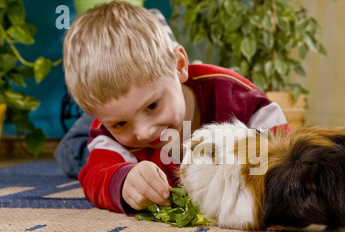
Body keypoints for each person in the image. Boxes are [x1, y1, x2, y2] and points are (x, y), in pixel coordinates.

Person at [61, 1, 288, 214]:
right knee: (74, 155)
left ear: (179, 66)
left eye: (152, 106)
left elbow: (285, 152)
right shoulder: (107, 130)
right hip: (96, 138)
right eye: (121, 123)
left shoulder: (238, 98)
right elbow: (94, 174)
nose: (144, 132)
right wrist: (123, 181)